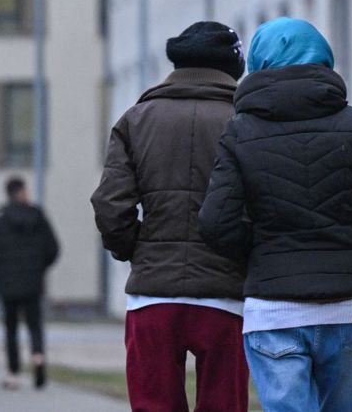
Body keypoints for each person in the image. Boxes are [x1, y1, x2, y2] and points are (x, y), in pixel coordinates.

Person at [199, 17, 352, 412]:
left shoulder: (241, 130)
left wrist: (264, 247)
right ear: (323, 60)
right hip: (350, 303)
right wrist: (346, 236)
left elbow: (215, 222)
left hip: (275, 310)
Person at [91, 21, 250, 412]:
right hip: (226, 294)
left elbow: (111, 205)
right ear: (234, 66)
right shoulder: (248, 121)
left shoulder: (136, 118)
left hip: (152, 294)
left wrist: (138, 249)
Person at [0, 176, 60, 390]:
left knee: (11, 328)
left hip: (8, 283)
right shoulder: (39, 218)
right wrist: (40, 268)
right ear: (22, 192)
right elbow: (53, 249)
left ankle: (13, 373)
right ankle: (38, 358)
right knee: (34, 324)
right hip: (33, 281)